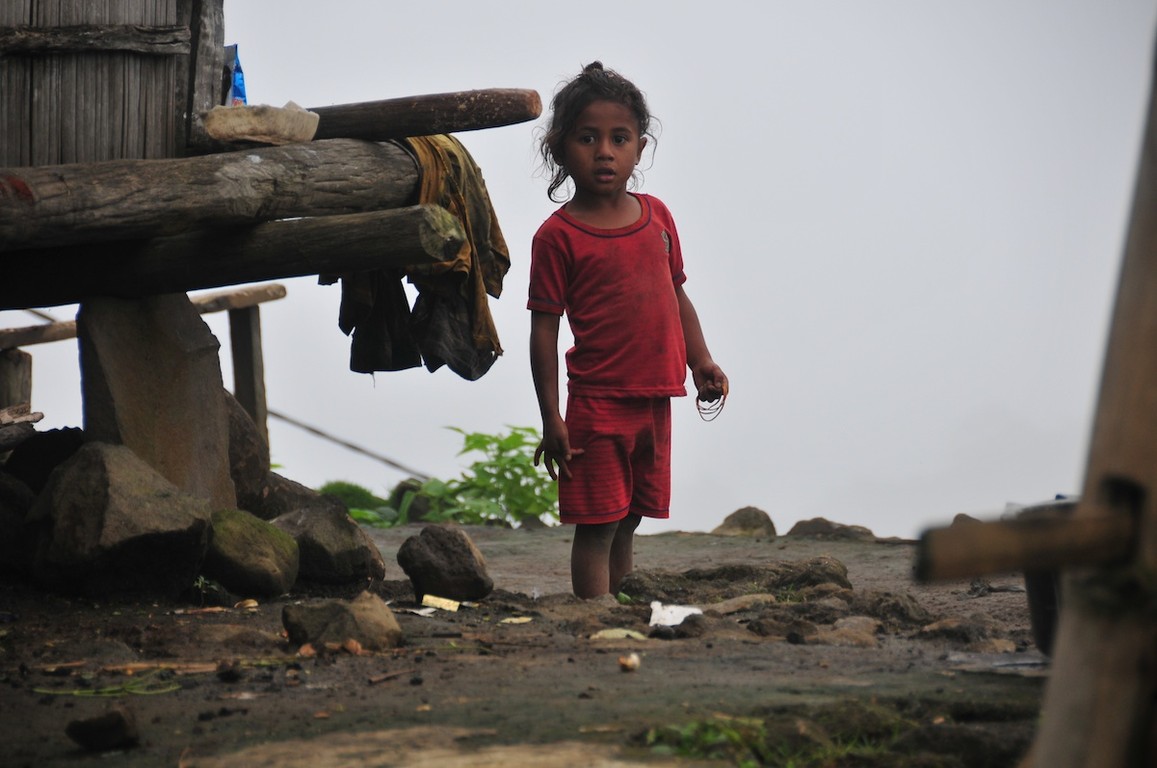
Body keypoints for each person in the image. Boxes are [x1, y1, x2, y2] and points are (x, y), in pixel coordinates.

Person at [528, 62, 728, 599]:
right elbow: (544, 331)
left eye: (619, 139)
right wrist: (551, 416)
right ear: (560, 147)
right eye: (587, 138)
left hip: (655, 399)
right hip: (598, 406)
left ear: (639, 148)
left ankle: (622, 614)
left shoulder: (657, 217)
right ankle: (595, 621)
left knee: (630, 519)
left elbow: (675, 295)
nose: (604, 152)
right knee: (597, 525)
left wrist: (700, 361)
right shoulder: (557, 237)